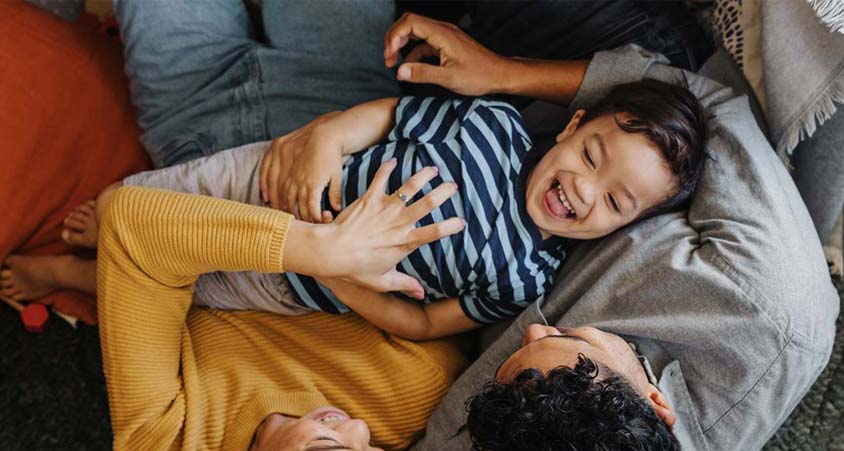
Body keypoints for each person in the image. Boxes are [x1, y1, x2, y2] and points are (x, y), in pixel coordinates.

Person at [1, 0, 836, 451]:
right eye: (559, 340)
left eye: (513, 354)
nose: (533, 330)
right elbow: (704, 97)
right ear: (656, 400)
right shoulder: (768, 294)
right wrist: (503, 76)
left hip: (269, 207)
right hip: (485, 124)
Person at [3, 80, 707, 343]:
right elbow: (386, 117)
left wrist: (340, 279)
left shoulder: (524, 276)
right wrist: (327, 140)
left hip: (287, 280)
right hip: (275, 185)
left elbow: (427, 323)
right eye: (590, 156)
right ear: (570, 125)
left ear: (624, 227)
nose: (583, 191)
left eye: (614, 201)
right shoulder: (490, 126)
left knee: (179, 285)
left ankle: (70, 273)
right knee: (169, 196)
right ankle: (122, 217)